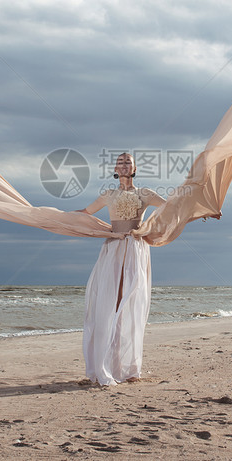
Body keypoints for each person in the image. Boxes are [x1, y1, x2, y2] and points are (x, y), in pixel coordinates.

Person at [77, 153, 166, 385]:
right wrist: (52, 217)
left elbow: (173, 208)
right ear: (115, 168)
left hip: (135, 248)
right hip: (113, 247)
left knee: (131, 304)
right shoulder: (108, 195)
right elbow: (85, 213)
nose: (124, 164)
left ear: (135, 168)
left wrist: (202, 211)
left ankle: (128, 367)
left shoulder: (144, 194)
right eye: (120, 161)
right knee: (110, 302)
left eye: (128, 161)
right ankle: (105, 364)